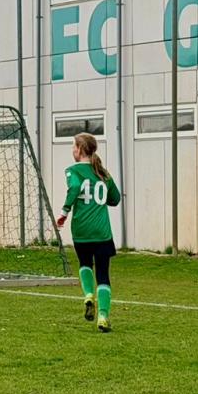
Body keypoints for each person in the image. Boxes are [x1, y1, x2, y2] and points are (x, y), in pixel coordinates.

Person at [55, 132, 121, 332]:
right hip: (102, 231)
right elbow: (115, 199)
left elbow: (74, 187)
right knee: (103, 274)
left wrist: (64, 212)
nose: (72, 150)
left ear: (81, 149)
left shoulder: (72, 171)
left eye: (74, 147)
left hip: (81, 229)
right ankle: (102, 316)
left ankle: (88, 296)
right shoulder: (103, 173)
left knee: (85, 263)